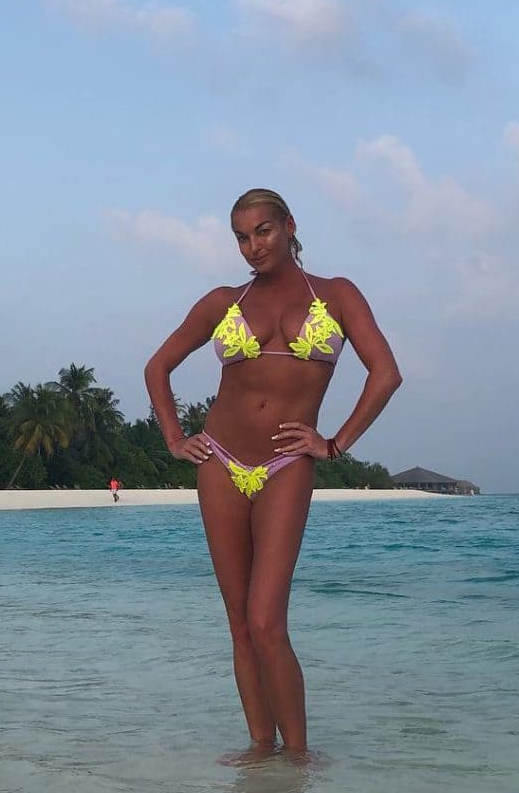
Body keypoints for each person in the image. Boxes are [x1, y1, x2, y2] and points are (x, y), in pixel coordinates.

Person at [145, 188, 401, 755]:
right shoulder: (223, 302)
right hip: (219, 461)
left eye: (262, 231)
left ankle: (299, 759)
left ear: (289, 226)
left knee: (266, 621)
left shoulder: (336, 295)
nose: (252, 246)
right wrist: (174, 439)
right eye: (241, 237)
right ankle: (262, 754)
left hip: (287, 465)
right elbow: (157, 367)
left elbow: (385, 373)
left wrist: (334, 445)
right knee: (239, 622)